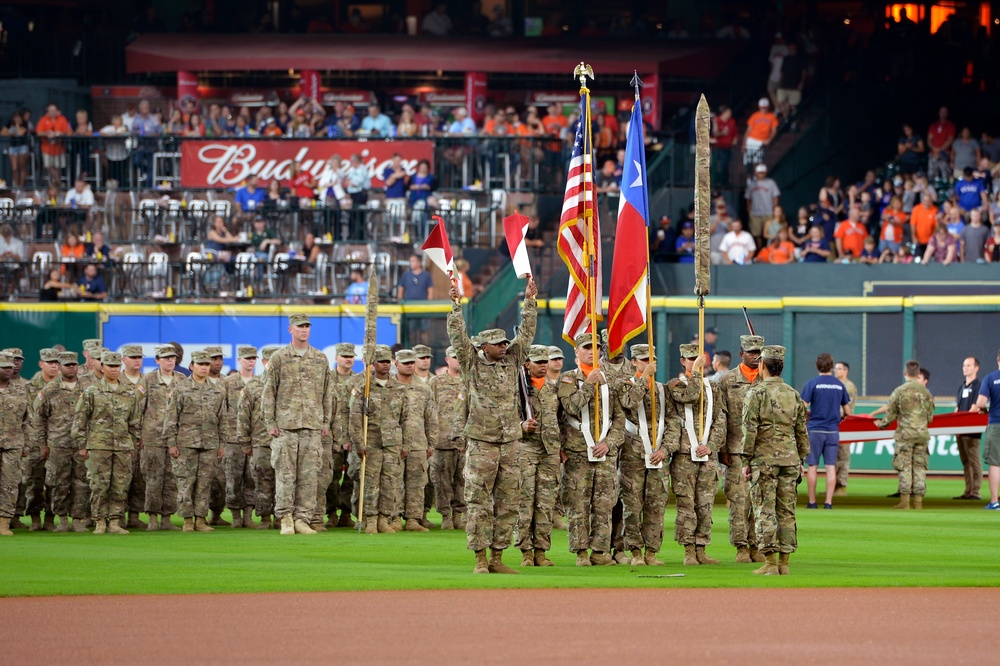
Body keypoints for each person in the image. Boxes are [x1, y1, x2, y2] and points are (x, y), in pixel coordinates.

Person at [447, 274, 537, 574]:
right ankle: (480, 559)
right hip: (482, 443)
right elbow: (458, 339)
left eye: (504, 342)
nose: (503, 346)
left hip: (510, 442)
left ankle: (498, 556)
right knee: (478, 502)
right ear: (484, 346)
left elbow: (526, 335)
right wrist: (455, 307)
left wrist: (530, 303)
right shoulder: (472, 364)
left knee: (509, 501)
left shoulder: (512, 361)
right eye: (497, 344)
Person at [740, 345, 809, 575]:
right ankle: (784, 563)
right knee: (787, 511)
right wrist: (801, 458)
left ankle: (770, 563)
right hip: (790, 460)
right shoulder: (793, 394)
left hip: (764, 460)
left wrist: (745, 461)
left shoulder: (756, 393)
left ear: (762, 365)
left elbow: (749, 431)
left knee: (764, 510)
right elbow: (802, 432)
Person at [557, 331, 625, 567]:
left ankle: (600, 551)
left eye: (596, 347)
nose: (591, 351)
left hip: (604, 453)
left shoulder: (611, 381)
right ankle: (581, 552)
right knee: (578, 504)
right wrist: (588, 384)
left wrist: (610, 443)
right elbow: (571, 407)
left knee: (604, 504)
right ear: (576, 352)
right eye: (586, 347)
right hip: (577, 452)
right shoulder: (567, 379)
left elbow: (619, 419)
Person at [263, 313, 333, 535]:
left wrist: (325, 422)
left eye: (307, 326)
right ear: (290, 329)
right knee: (285, 474)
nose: (304, 330)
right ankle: (285, 517)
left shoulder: (320, 358)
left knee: (309, 475)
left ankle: (303, 518)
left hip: (312, 426)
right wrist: (270, 422)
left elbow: (326, 393)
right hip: (286, 425)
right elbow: (269, 393)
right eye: (299, 326)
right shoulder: (279, 358)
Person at [71, 352, 141, 535]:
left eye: (117, 366)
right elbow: (80, 420)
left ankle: (115, 521)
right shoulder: (92, 391)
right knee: (98, 484)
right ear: (102, 367)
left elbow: (134, 423)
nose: (114, 369)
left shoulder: (129, 392)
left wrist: (131, 443)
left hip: (122, 447)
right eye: (110, 366)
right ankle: (100, 520)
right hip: (98, 446)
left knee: (120, 484)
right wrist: (82, 444)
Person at [667, 345, 724, 566]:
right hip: (684, 454)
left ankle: (702, 547)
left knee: (705, 504)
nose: (696, 362)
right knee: (686, 504)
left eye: (699, 358)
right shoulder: (674, 384)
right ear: (683, 361)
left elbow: (720, 419)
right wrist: (697, 373)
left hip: (706, 455)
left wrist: (711, 445)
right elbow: (690, 396)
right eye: (691, 359)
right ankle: (688, 550)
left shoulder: (714, 387)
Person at [348, 344, 408, 534]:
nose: (384, 365)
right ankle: (370, 519)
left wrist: (405, 444)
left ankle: (384, 518)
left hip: (392, 442)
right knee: (370, 482)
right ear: (373, 364)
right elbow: (355, 418)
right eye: (380, 361)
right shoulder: (363, 388)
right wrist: (359, 442)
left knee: (390, 482)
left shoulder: (398, 388)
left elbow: (405, 419)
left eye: (387, 361)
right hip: (371, 441)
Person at [716, 334, 765, 563]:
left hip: (762, 451)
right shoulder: (726, 380)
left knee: (760, 500)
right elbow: (720, 416)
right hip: (735, 449)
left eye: (758, 353)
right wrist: (722, 448)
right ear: (741, 353)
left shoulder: (768, 379)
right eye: (751, 352)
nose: (755, 357)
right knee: (739, 501)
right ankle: (741, 547)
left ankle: (756, 544)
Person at [164, 351, 224, 532]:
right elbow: (171, 417)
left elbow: (223, 419)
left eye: (207, 364)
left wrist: (221, 444)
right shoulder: (181, 389)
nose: (205, 367)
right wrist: (171, 443)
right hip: (185, 443)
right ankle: (187, 520)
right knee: (185, 482)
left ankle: (200, 518)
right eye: (200, 364)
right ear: (192, 366)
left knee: (205, 483)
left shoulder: (217, 391)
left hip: (209, 443)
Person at [32, 351, 90, 532]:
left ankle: (79, 519)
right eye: (67, 365)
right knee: (59, 482)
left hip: (82, 444)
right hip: (58, 444)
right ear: (60, 366)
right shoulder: (50, 390)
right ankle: (62, 519)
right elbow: (39, 419)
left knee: (82, 483)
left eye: (73, 364)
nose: (71, 367)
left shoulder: (88, 387)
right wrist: (43, 444)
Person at [875, 360, 935, 510]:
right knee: (920, 467)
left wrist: (880, 424)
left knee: (905, 467)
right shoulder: (926, 393)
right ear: (918, 374)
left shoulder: (899, 391)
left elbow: (890, 415)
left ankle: (905, 502)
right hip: (922, 435)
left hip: (905, 436)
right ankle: (918, 503)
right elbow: (930, 417)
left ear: (905, 373)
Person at [137, 345, 183, 531]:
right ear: (157, 360)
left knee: (171, 479)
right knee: (153, 478)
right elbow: (138, 409)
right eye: (165, 358)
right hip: (152, 437)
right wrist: (138, 435)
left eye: (172, 358)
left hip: (175, 439)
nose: (170, 361)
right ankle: (153, 518)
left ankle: (167, 518)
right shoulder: (147, 380)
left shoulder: (181, 380)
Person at [392, 350, 438, 532]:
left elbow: (431, 418)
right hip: (394, 442)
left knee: (416, 483)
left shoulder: (424, 388)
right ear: (396, 364)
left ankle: (413, 519)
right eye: (405, 362)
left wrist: (431, 443)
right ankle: (394, 517)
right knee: (393, 482)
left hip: (418, 442)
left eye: (412, 362)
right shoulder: (389, 386)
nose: (410, 365)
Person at [800, 353, 851, 510]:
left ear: (817, 366)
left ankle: (812, 502)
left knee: (812, 467)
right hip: (832, 431)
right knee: (830, 467)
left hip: (815, 430)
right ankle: (828, 502)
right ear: (832, 366)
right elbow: (847, 411)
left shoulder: (812, 384)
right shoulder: (839, 385)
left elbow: (803, 406)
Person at [237, 345, 279, 529]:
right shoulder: (253, 386)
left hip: (284, 442)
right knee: (263, 482)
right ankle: (264, 518)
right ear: (264, 362)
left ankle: (281, 517)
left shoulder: (286, 384)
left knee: (283, 481)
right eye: (270, 360)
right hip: (261, 442)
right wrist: (245, 442)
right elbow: (243, 416)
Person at [222, 346, 258, 529]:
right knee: (233, 478)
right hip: (232, 439)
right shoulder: (228, 383)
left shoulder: (259, 382)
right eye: (247, 358)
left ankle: (248, 515)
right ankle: (236, 515)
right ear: (239, 360)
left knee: (252, 478)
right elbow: (221, 411)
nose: (251, 361)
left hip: (254, 439)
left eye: (253, 358)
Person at [0, 353, 30, 536]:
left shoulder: (20, 390)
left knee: (10, 484)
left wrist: (27, 445)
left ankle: (4, 522)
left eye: (10, 367)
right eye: (4, 367)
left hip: (13, 444)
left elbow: (28, 420)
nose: (8, 370)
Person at [972, 350, 1000, 510]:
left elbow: (980, 403)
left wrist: (987, 409)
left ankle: (994, 501)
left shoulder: (991, 378)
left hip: (996, 423)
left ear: (998, 359)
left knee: (996, 463)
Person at [954, 357, 983, 500]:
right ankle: (968, 490)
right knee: (965, 461)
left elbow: (975, 408)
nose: (965, 368)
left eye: (969, 365)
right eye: (964, 365)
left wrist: (961, 425)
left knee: (974, 460)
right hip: (960, 430)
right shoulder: (961, 387)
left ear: (976, 368)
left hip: (972, 430)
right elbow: (957, 408)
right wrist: (954, 426)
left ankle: (975, 491)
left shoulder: (979, 386)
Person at [833, 361, 858, 496]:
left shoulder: (848, 386)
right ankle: (834, 485)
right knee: (834, 457)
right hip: (834, 424)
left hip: (844, 424)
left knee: (843, 456)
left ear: (846, 371)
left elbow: (845, 407)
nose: (836, 371)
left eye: (839, 369)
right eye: (835, 368)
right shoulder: (835, 384)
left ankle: (841, 486)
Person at [745, 163, 780, 244]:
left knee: (769, 232)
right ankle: (759, 250)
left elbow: (776, 196)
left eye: (763, 172)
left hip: (768, 212)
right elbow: (748, 198)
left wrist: (775, 208)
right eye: (759, 172)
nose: (761, 174)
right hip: (755, 213)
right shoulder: (751, 184)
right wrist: (749, 210)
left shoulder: (771, 183)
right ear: (756, 173)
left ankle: (767, 249)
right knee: (756, 234)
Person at [742, 98, 779, 164]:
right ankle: (749, 174)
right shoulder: (755, 115)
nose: (763, 109)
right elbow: (748, 130)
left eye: (765, 107)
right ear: (759, 107)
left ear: (768, 107)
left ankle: (757, 174)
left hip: (762, 141)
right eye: (762, 107)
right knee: (748, 161)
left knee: (758, 161)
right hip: (751, 139)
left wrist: (769, 140)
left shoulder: (772, 117)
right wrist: (744, 143)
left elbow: (774, 131)